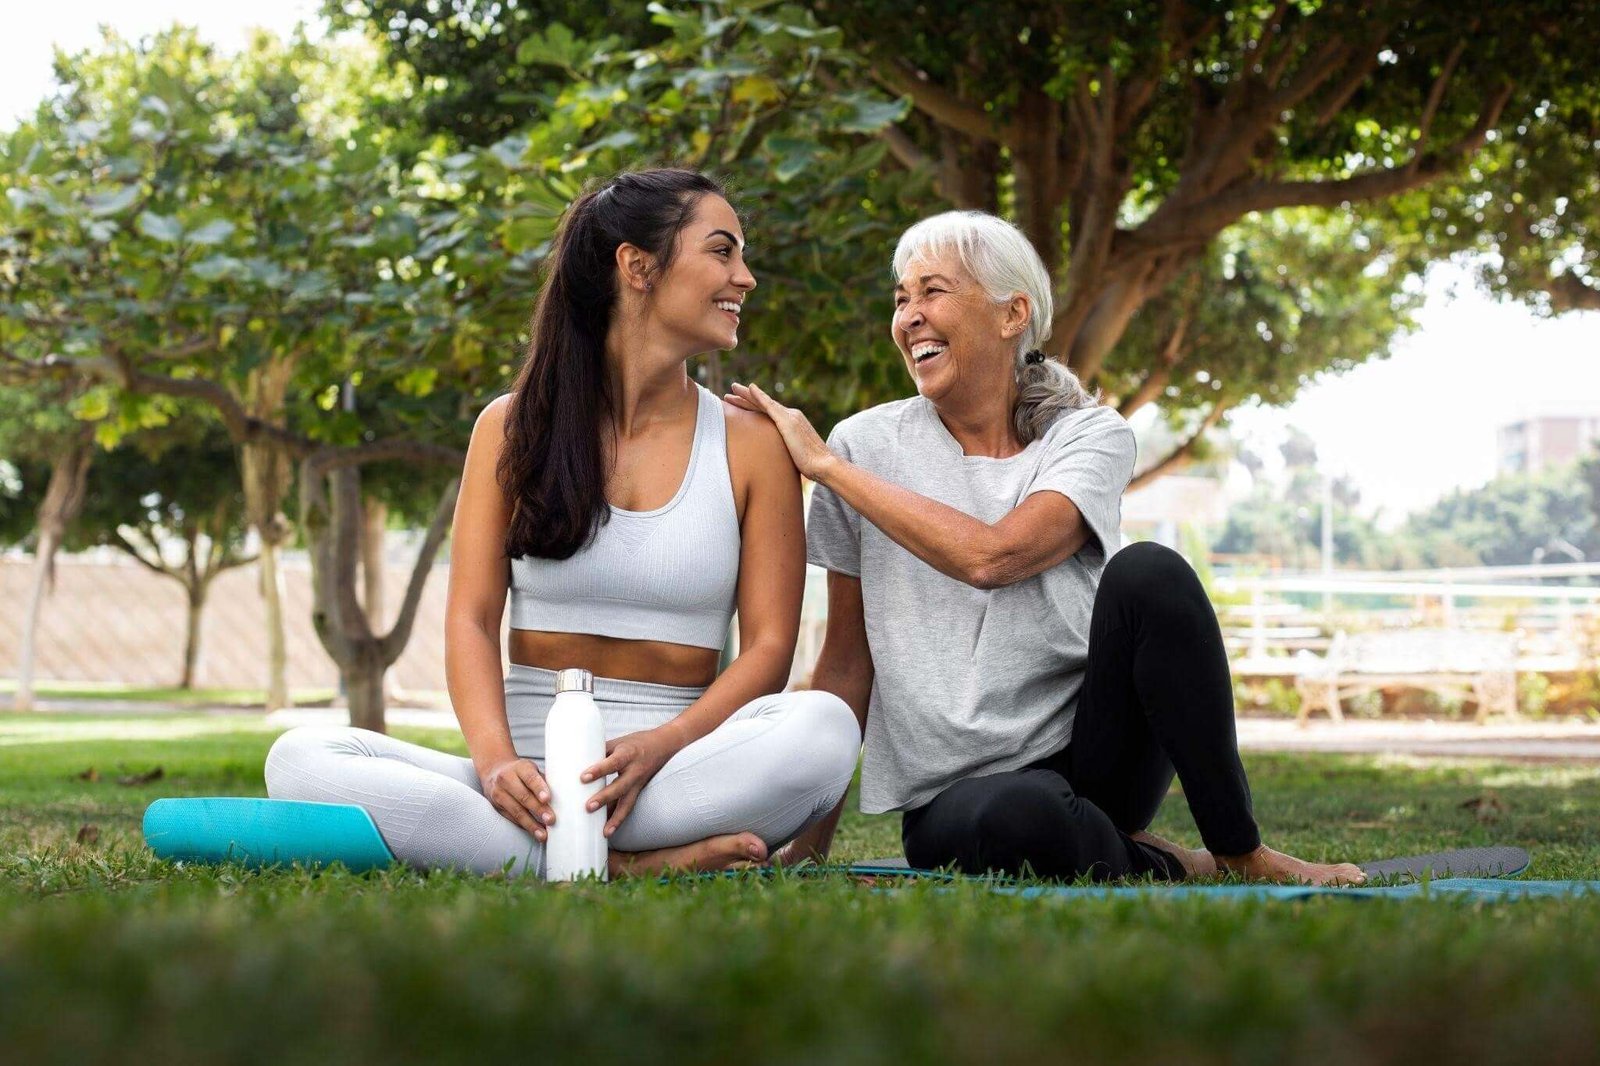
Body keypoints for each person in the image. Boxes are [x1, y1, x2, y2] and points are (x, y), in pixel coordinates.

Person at [730, 210, 1364, 885]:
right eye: (901, 298)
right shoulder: (865, 444)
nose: (910, 315)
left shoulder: (1088, 436)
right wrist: (810, 846)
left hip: (1095, 757)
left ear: (1012, 315)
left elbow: (994, 558)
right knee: (1021, 819)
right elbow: (847, 662)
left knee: (1152, 572)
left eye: (933, 291)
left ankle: (1240, 852)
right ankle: (1168, 859)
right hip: (959, 794)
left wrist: (827, 470)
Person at [266, 169, 860, 879]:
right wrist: (493, 764)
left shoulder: (752, 442)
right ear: (637, 266)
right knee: (299, 760)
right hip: (526, 782)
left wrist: (661, 745)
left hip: (673, 774)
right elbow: (472, 619)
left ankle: (537, 856)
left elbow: (769, 649)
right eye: (723, 252)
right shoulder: (511, 427)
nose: (747, 277)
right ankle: (628, 866)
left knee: (823, 729)